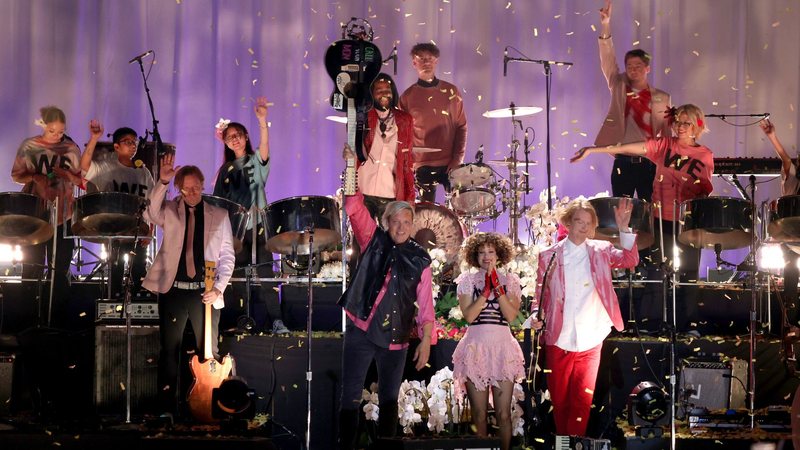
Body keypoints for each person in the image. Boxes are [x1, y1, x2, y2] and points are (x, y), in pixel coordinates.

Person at [337, 145, 435, 450]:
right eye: (397, 222)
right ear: (386, 223)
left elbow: (427, 306)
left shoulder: (421, 259)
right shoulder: (372, 239)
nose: (402, 228)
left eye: (408, 223)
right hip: (362, 329)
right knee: (351, 395)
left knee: (390, 398)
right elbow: (353, 205)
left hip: (396, 338)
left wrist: (426, 342)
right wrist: (352, 167)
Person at [573, 104, 713, 286]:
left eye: (687, 123)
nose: (680, 126)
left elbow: (704, 191)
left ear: (697, 125)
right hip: (660, 220)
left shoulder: (705, 155)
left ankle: (687, 313)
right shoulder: (664, 145)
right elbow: (627, 148)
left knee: (689, 278)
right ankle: (655, 312)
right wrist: (593, 149)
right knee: (656, 274)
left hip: (687, 222)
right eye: (678, 121)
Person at [531, 198, 638, 437]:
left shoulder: (601, 250)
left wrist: (623, 228)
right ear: (568, 222)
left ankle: (575, 444)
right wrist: (535, 316)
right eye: (578, 221)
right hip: (559, 337)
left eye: (588, 223)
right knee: (560, 401)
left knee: (582, 400)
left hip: (591, 336)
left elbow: (630, 260)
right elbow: (540, 294)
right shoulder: (549, 255)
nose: (583, 227)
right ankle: (563, 444)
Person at [141, 157, 235, 418]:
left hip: (204, 292)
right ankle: (166, 409)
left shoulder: (220, 215)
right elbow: (149, 212)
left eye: (196, 188)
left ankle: (208, 406)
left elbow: (227, 255)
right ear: (179, 189)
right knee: (169, 350)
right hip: (174, 290)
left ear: (203, 185)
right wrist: (162, 181)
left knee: (209, 352)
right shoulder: (169, 210)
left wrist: (219, 288)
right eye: (186, 189)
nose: (192, 193)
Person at [212, 97, 288, 335]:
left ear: (245, 137)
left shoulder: (256, 161)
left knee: (265, 276)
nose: (234, 138)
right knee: (234, 276)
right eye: (229, 136)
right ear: (225, 141)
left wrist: (262, 120)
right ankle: (237, 321)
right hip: (235, 231)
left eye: (238, 134)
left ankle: (276, 321)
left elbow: (265, 148)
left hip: (259, 227)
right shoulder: (225, 170)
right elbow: (218, 203)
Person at [452, 232, 524, 450]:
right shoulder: (466, 281)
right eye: (481, 252)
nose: (486, 256)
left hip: (503, 349)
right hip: (476, 349)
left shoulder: (511, 281)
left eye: (491, 251)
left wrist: (498, 288)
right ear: (475, 255)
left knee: (503, 414)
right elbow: (469, 316)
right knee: (479, 413)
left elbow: (511, 317)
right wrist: (484, 293)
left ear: (499, 254)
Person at [11, 105, 82, 326]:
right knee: (31, 267)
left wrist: (68, 175)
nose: (57, 136)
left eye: (61, 131)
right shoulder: (30, 146)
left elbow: (80, 179)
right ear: (44, 126)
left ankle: (57, 322)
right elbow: (16, 175)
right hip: (35, 214)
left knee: (60, 269)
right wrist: (35, 177)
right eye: (52, 131)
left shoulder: (70, 147)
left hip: (63, 214)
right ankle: (27, 321)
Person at [595, 0, 671, 202]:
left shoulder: (662, 98)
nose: (633, 69)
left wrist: (666, 167)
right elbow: (607, 60)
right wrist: (605, 24)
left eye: (638, 65)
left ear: (648, 68)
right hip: (623, 161)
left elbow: (666, 135)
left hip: (649, 162)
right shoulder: (619, 85)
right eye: (629, 65)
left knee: (650, 212)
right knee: (622, 211)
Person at [81, 121, 155, 299]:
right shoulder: (107, 167)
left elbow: (152, 202)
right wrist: (94, 139)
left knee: (137, 266)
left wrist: (150, 229)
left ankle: (135, 297)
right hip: (114, 228)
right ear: (116, 146)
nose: (132, 145)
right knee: (115, 266)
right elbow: (84, 168)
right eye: (127, 142)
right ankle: (113, 299)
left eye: (134, 142)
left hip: (137, 228)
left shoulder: (143, 172)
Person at [399, 42, 467, 203]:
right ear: (414, 63)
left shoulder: (451, 92)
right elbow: (402, 133)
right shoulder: (407, 97)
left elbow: (461, 126)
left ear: (436, 61)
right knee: (427, 214)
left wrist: (457, 159)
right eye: (421, 59)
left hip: (451, 163)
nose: (426, 62)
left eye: (429, 58)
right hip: (422, 165)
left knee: (458, 213)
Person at [760, 118, 800, 367]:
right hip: (793, 243)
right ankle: (790, 328)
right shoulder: (793, 181)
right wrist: (772, 136)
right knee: (790, 278)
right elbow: (786, 161)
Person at [357, 72, 416, 221]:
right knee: (362, 241)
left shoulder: (404, 120)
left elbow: (407, 161)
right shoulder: (363, 116)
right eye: (379, 91)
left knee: (388, 241)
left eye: (387, 90)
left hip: (390, 193)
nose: (384, 94)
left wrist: (410, 196)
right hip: (364, 191)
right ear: (372, 94)